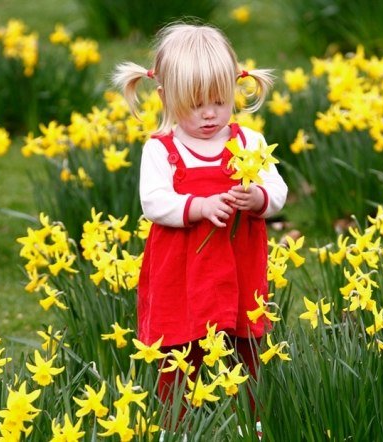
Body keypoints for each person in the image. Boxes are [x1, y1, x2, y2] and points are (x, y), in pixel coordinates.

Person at [112, 21, 288, 406]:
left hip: (239, 268)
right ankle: (176, 426)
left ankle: (251, 421)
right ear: (165, 96)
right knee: (178, 350)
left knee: (246, 349)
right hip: (181, 274)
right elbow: (154, 203)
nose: (209, 115)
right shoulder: (161, 149)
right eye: (195, 105)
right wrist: (199, 207)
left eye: (219, 102)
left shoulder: (249, 142)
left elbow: (278, 192)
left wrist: (257, 198)